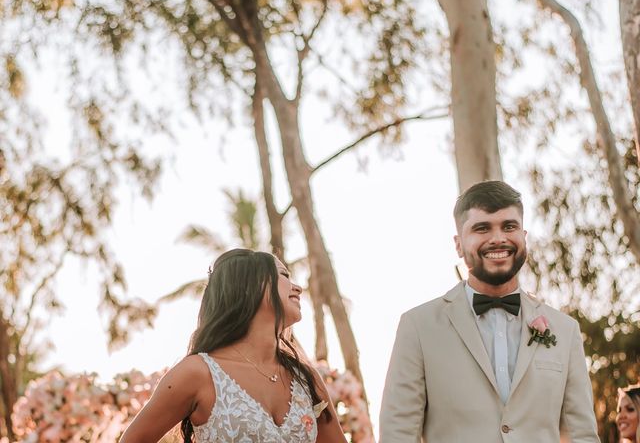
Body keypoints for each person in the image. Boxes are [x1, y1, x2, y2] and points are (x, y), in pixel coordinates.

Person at [379, 180, 600, 442]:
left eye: (509, 226)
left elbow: (581, 435)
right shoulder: (418, 326)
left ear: (524, 237)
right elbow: (398, 434)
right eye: (482, 228)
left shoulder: (565, 330)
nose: (498, 239)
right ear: (458, 244)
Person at [120, 248, 346, 443]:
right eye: (284, 275)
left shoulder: (306, 379)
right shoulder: (198, 373)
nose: (298, 287)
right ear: (250, 285)